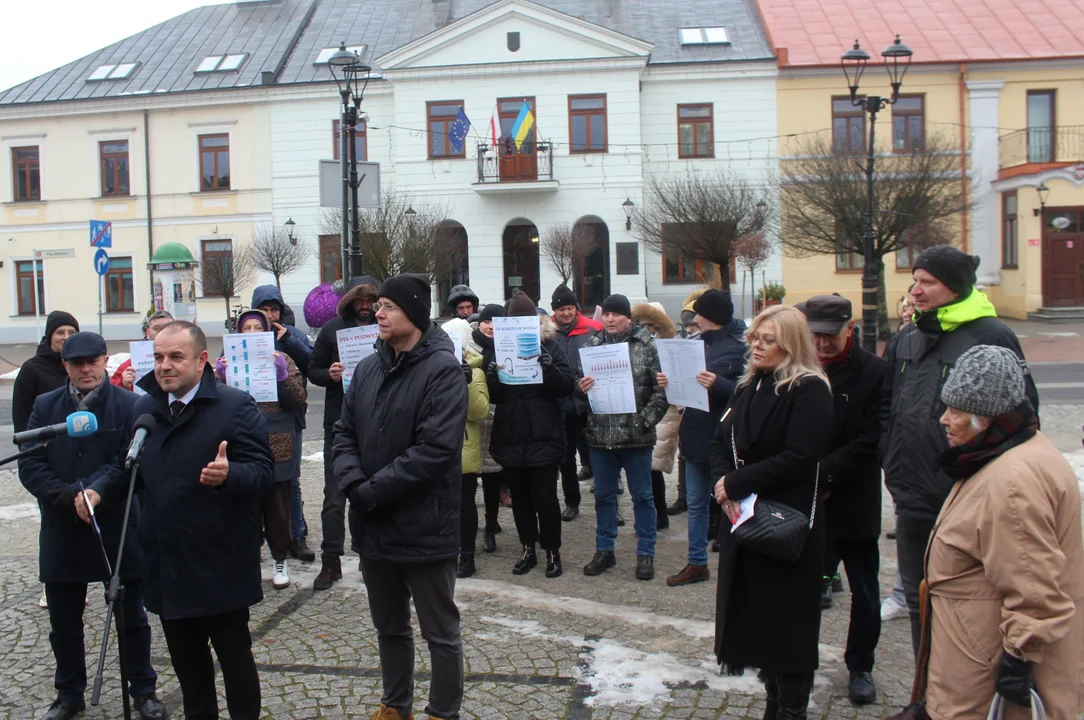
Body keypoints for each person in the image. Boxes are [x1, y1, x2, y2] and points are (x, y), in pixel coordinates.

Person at [77, 321, 274, 720]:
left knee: (235, 662)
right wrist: (98, 488)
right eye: (159, 357)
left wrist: (230, 475)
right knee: (189, 669)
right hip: (167, 563)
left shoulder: (235, 405)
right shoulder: (145, 408)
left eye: (175, 357)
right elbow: (126, 466)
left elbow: (263, 472)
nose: (164, 366)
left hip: (220, 561)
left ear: (201, 360)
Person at [881, 246, 1039, 657]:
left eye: (927, 282)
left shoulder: (991, 335)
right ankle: (924, 697)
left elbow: (1021, 415)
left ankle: (963, 697)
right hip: (911, 492)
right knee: (919, 598)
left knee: (967, 605)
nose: (915, 290)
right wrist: (889, 453)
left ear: (955, 287)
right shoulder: (909, 336)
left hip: (964, 492)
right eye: (914, 280)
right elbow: (886, 404)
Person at [920, 345, 1084, 720]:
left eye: (956, 411)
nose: (944, 419)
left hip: (985, 667)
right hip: (978, 647)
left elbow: (1034, 590)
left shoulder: (1011, 480)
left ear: (987, 418)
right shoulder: (1004, 452)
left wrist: (1018, 662)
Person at [333, 274, 467, 720]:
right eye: (377, 305)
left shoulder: (443, 370)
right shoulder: (370, 367)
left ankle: (442, 712)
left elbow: (435, 450)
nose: (377, 313)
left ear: (413, 312)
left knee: (439, 632)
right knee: (389, 626)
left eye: (388, 306)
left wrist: (370, 491)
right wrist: (353, 483)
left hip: (424, 524)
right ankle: (395, 704)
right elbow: (343, 432)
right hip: (374, 523)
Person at [20, 332, 167, 720]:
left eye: (93, 361)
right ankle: (69, 693)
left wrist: (98, 491)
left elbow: (130, 460)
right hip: (63, 527)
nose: (86, 370)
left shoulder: (131, 404)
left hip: (117, 524)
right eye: (76, 364)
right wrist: (68, 496)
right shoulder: (45, 405)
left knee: (131, 619)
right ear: (65, 366)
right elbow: (30, 464)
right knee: (63, 623)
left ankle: (143, 689)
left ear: (104, 360)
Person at [710, 305, 832, 720]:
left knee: (788, 627)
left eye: (767, 340)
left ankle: (791, 708)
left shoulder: (809, 388)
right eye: (754, 339)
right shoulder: (750, 384)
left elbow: (801, 455)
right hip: (744, 522)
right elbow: (721, 441)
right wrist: (722, 485)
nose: (756, 346)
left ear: (791, 344)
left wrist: (737, 484)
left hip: (785, 524)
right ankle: (772, 702)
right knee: (757, 621)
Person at [803, 295, 886, 704]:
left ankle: (861, 665)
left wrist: (825, 473)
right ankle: (796, 660)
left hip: (853, 497)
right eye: (814, 335)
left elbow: (873, 439)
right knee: (801, 588)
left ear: (849, 329)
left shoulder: (876, 373)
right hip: (809, 498)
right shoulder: (800, 366)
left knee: (865, 592)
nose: (821, 344)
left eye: (830, 336)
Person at [214, 309, 307, 590]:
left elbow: (299, 400)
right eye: (247, 328)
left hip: (277, 441)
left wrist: (283, 378)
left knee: (277, 506)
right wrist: (219, 378)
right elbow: (212, 404)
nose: (253, 333)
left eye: (258, 328)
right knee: (245, 506)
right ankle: (248, 560)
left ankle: (280, 559)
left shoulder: (283, 358)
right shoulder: (227, 360)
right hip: (242, 444)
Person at [577, 294, 668, 581]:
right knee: (604, 497)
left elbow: (662, 391)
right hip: (601, 437)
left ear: (628, 317)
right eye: (606, 314)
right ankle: (605, 550)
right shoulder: (592, 346)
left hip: (636, 438)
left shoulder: (647, 345)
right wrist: (581, 387)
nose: (610, 319)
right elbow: (579, 389)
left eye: (617, 314)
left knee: (642, 497)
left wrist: (644, 422)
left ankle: (645, 553)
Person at [660, 289, 746, 588]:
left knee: (733, 505)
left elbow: (749, 393)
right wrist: (667, 382)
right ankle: (697, 563)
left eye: (699, 314)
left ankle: (739, 567)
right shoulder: (691, 344)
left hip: (727, 440)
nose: (694, 319)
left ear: (713, 317)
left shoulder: (743, 346)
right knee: (696, 503)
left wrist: (720, 384)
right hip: (696, 436)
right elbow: (680, 390)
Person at [486, 290, 574, 578]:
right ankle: (528, 549)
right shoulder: (499, 346)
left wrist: (549, 370)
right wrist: (491, 376)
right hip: (511, 433)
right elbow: (496, 396)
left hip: (543, 432)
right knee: (521, 498)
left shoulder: (550, 343)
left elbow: (565, 388)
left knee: (546, 498)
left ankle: (552, 551)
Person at [307, 275, 379, 589]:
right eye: (359, 301)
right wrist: (330, 374)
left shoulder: (384, 329)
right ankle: (330, 560)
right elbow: (313, 369)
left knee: (369, 494)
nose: (365, 307)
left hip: (375, 421)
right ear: (349, 301)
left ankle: (368, 556)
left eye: (370, 300)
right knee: (334, 497)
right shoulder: (332, 330)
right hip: (339, 422)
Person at [444, 320, 491, 579]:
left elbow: (479, 411)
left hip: (464, 448)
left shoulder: (476, 370)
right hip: (436, 447)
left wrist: (468, 381)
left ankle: (467, 555)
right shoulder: (431, 367)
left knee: (464, 504)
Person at [550, 284, 602, 522]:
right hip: (561, 406)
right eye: (561, 309)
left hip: (592, 404)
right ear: (555, 311)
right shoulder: (546, 332)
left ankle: (607, 502)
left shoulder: (594, 329)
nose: (566, 313)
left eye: (570, 308)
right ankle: (572, 502)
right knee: (566, 458)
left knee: (600, 455)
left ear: (576, 309)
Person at [632, 302, 679, 532]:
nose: (648, 329)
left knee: (654, 466)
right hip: (643, 407)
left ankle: (659, 514)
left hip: (666, 411)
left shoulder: (669, 346)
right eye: (644, 324)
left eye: (652, 324)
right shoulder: (638, 344)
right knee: (644, 467)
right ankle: (650, 512)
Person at [466, 303, 507, 553]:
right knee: (469, 478)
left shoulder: (507, 346)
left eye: (496, 322)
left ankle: (491, 526)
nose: (490, 326)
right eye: (486, 321)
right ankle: (469, 528)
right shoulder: (468, 346)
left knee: (493, 477)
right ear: (479, 323)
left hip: (497, 416)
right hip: (471, 418)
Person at [13, 310, 79, 434]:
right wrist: (28, 448)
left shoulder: (83, 365)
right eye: (60, 333)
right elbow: (22, 414)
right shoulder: (32, 369)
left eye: (71, 332)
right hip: (47, 442)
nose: (66, 337)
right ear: (50, 336)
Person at [251, 285, 313, 377]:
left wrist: (290, 340)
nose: (269, 315)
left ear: (281, 311)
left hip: (289, 390)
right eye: (264, 310)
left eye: (274, 310)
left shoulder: (294, 334)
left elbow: (312, 362)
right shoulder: (243, 334)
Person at [112, 311, 173, 390]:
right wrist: (122, 384)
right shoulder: (130, 366)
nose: (162, 332)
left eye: (167, 328)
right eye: (157, 328)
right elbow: (111, 394)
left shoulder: (188, 359)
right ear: (148, 333)